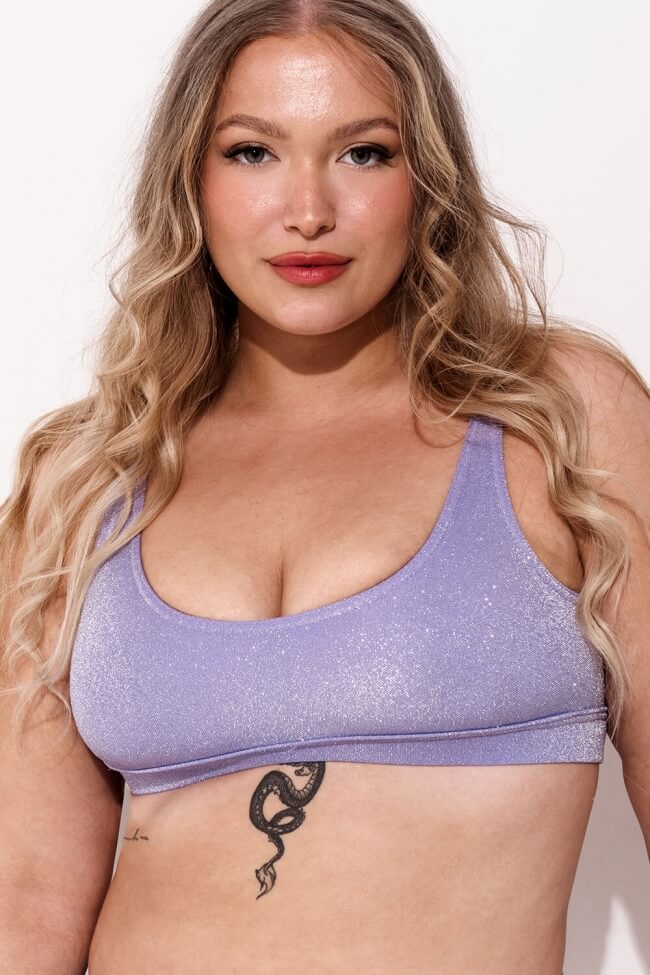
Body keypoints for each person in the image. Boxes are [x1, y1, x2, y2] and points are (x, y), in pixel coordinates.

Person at [1, 1, 648, 973]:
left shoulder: (557, 417)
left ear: (428, 178)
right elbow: (27, 897)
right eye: (253, 152)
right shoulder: (87, 473)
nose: (308, 210)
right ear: (191, 180)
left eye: (364, 153)